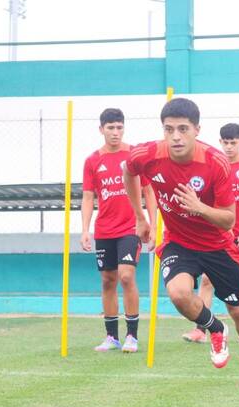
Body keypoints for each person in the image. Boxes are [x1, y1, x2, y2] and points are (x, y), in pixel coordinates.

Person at [122, 98, 239, 388]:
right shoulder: (147, 154)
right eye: (169, 129)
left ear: (197, 130)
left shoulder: (216, 164)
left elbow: (228, 219)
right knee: (178, 293)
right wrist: (140, 217)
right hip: (178, 242)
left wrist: (198, 207)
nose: (176, 136)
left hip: (217, 244)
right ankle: (214, 327)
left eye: (183, 129)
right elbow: (129, 171)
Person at [183, 123, 239, 344]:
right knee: (207, 281)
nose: (229, 147)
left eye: (233, 143)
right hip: (218, 236)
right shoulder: (214, 166)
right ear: (220, 142)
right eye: (225, 142)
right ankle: (201, 330)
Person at [81, 108, 156, 353]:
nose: (115, 132)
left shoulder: (134, 155)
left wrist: (152, 223)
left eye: (119, 127)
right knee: (107, 280)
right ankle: (111, 337)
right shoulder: (93, 160)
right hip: (104, 229)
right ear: (101, 129)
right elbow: (88, 197)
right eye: (110, 127)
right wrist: (84, 230)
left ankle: (131, 336)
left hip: (130, 227)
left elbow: (148, 191)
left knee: (126, 276)